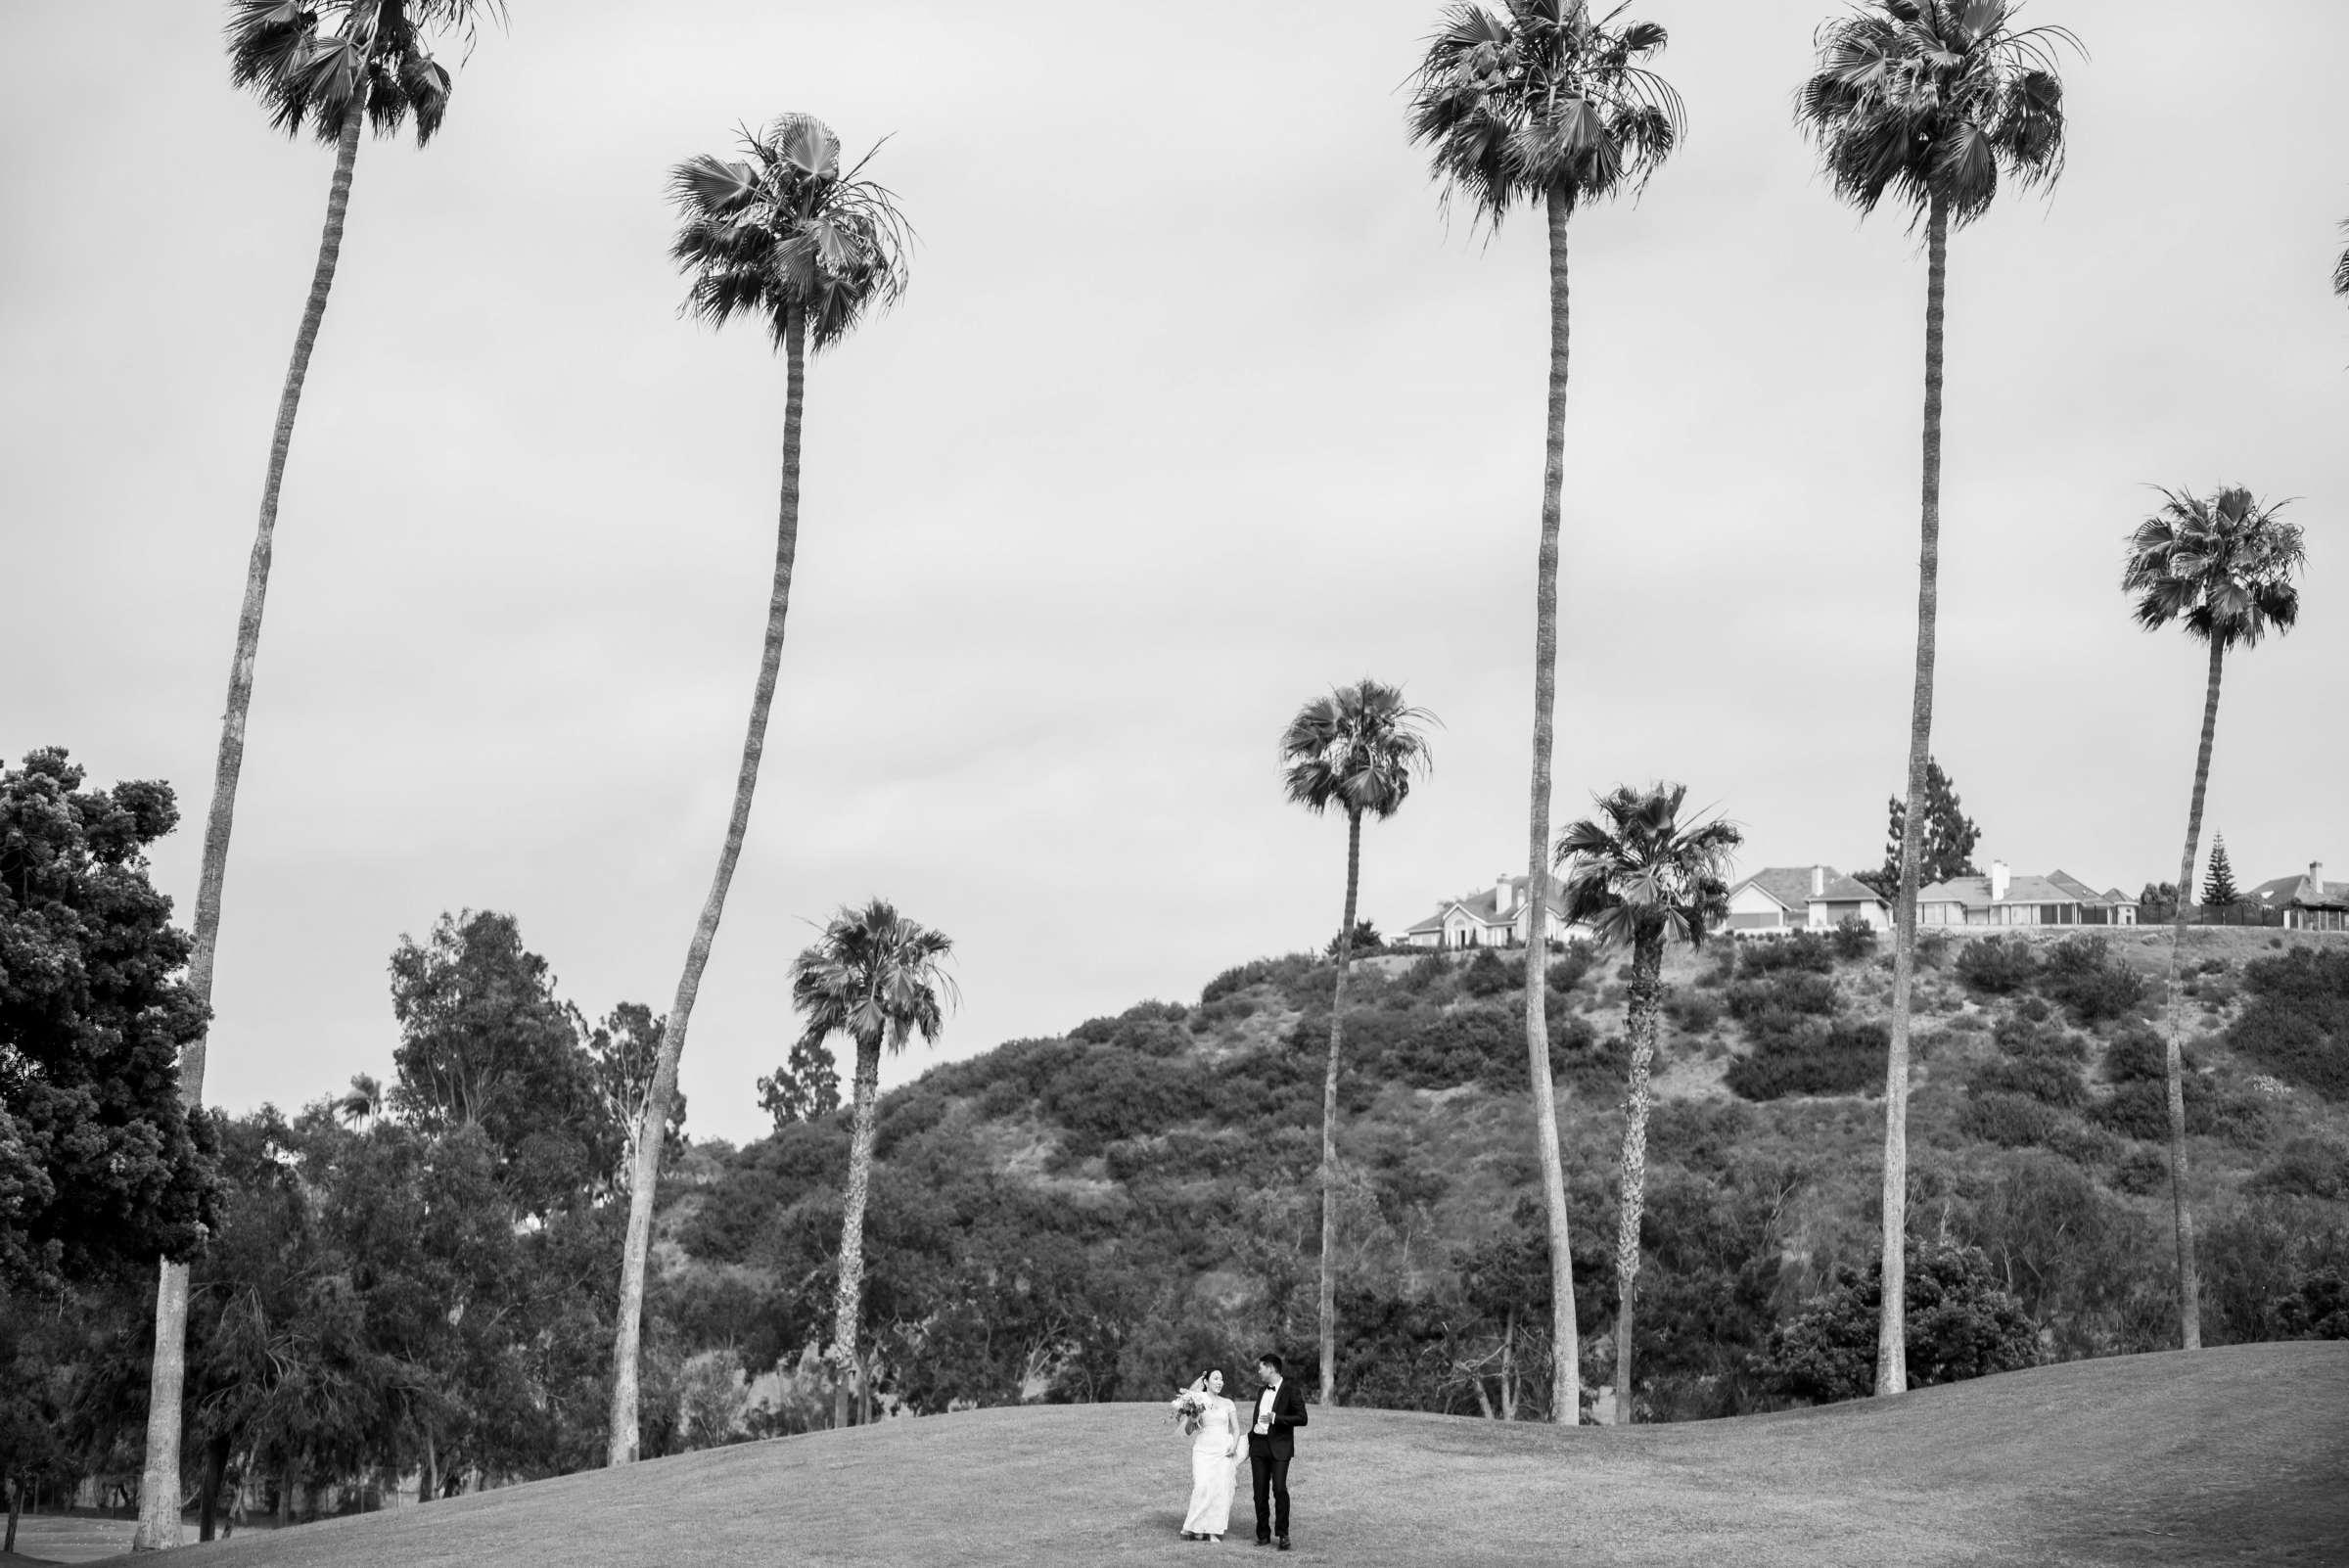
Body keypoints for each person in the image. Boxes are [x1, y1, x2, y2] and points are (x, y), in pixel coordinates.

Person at [1245, 1352, 1308, 1550]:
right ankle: (1262, 1534)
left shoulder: (1291, 1390)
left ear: (1271, 1368)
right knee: (1259, 1493)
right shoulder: (1261, 1391)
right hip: (1259, 1447)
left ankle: (1283, 1534)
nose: (1258, 1370)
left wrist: (1276, 1418)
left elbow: (1302, 1418)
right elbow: (1256, 1420)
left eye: (1261, 1367)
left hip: (1280, 1447)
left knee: (1279, 1489)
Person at [1178, 1369, 1241, 1542]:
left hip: (1223, 1451)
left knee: (1220, 1490)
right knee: (1202, 1486)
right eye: (1215, 1378)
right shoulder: (1197, 1401)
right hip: (1203, 1451)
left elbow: (1236, 1428)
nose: (1219, 1382)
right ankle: (1196, 1527)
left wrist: (1234, 1446)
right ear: (1206, 1382)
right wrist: (1193, 1417)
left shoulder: (1228, 1403)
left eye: (1221, 1379)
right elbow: (1189, 1431)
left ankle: (1213, 1531)